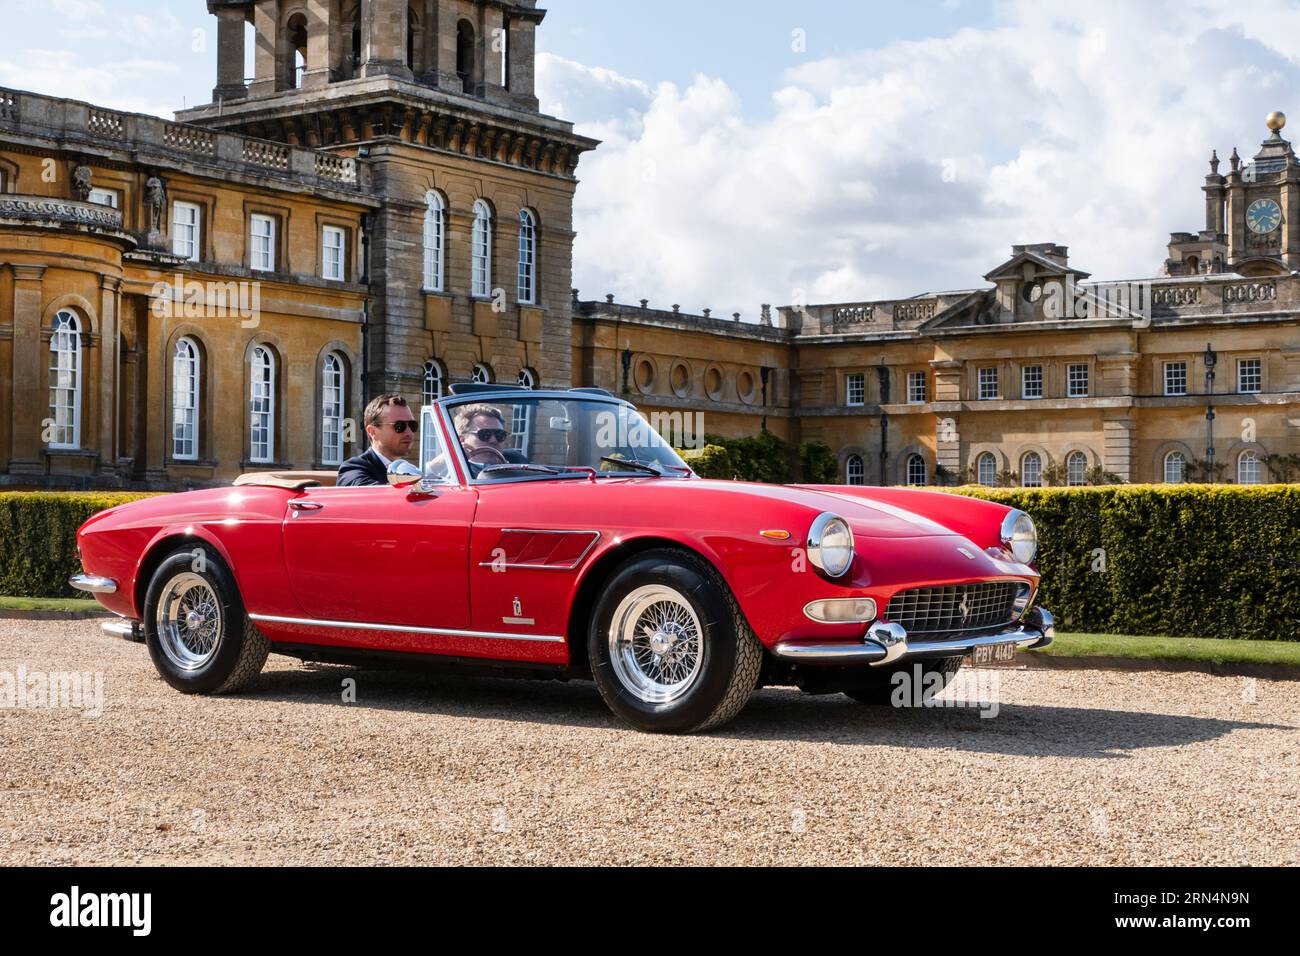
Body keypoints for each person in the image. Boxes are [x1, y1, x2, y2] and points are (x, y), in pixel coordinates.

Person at [337, 394, 418, 487]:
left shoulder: (408, 469)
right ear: (372, 432)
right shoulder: (353, 468)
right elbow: (371, 493)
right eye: (399, 426)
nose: (409, 432)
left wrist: (432, 468)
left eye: (412, 425)